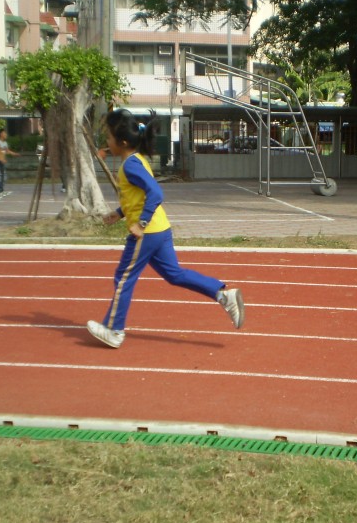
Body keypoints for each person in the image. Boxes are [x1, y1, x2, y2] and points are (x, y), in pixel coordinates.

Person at [87, 109, 244, 349]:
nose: (106, 142)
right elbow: (138, 196)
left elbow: (156, 193)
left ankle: (114, 330)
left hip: (147, 233)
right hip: (160, 230)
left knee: (123, 278)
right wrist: (119, 213)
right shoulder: (137, 160)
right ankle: (223, 295)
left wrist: (141, 223)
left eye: (108, 137)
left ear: (123, 142)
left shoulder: (131, 165)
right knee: (174, 275)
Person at [0, 128, 20, 197]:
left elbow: (7, 151)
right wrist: (1, 159)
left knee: (3, 176)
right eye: (4, 133)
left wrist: (14, 154)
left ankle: (1, 190)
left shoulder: (5, 143)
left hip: (2, 161)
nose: (6, 134)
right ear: (1, 134)